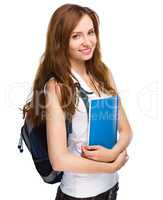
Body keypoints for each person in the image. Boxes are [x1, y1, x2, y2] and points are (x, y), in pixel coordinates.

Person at [23, 3, 133, 200]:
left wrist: (113, 154)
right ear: (61, 41)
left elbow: (125, 129)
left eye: (90, 32)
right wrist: (111, 165)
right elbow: (59, 160)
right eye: (76, 36)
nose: (87, 41)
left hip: (111, 189)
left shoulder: (103, 73)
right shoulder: (56, 86)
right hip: (80, 195)